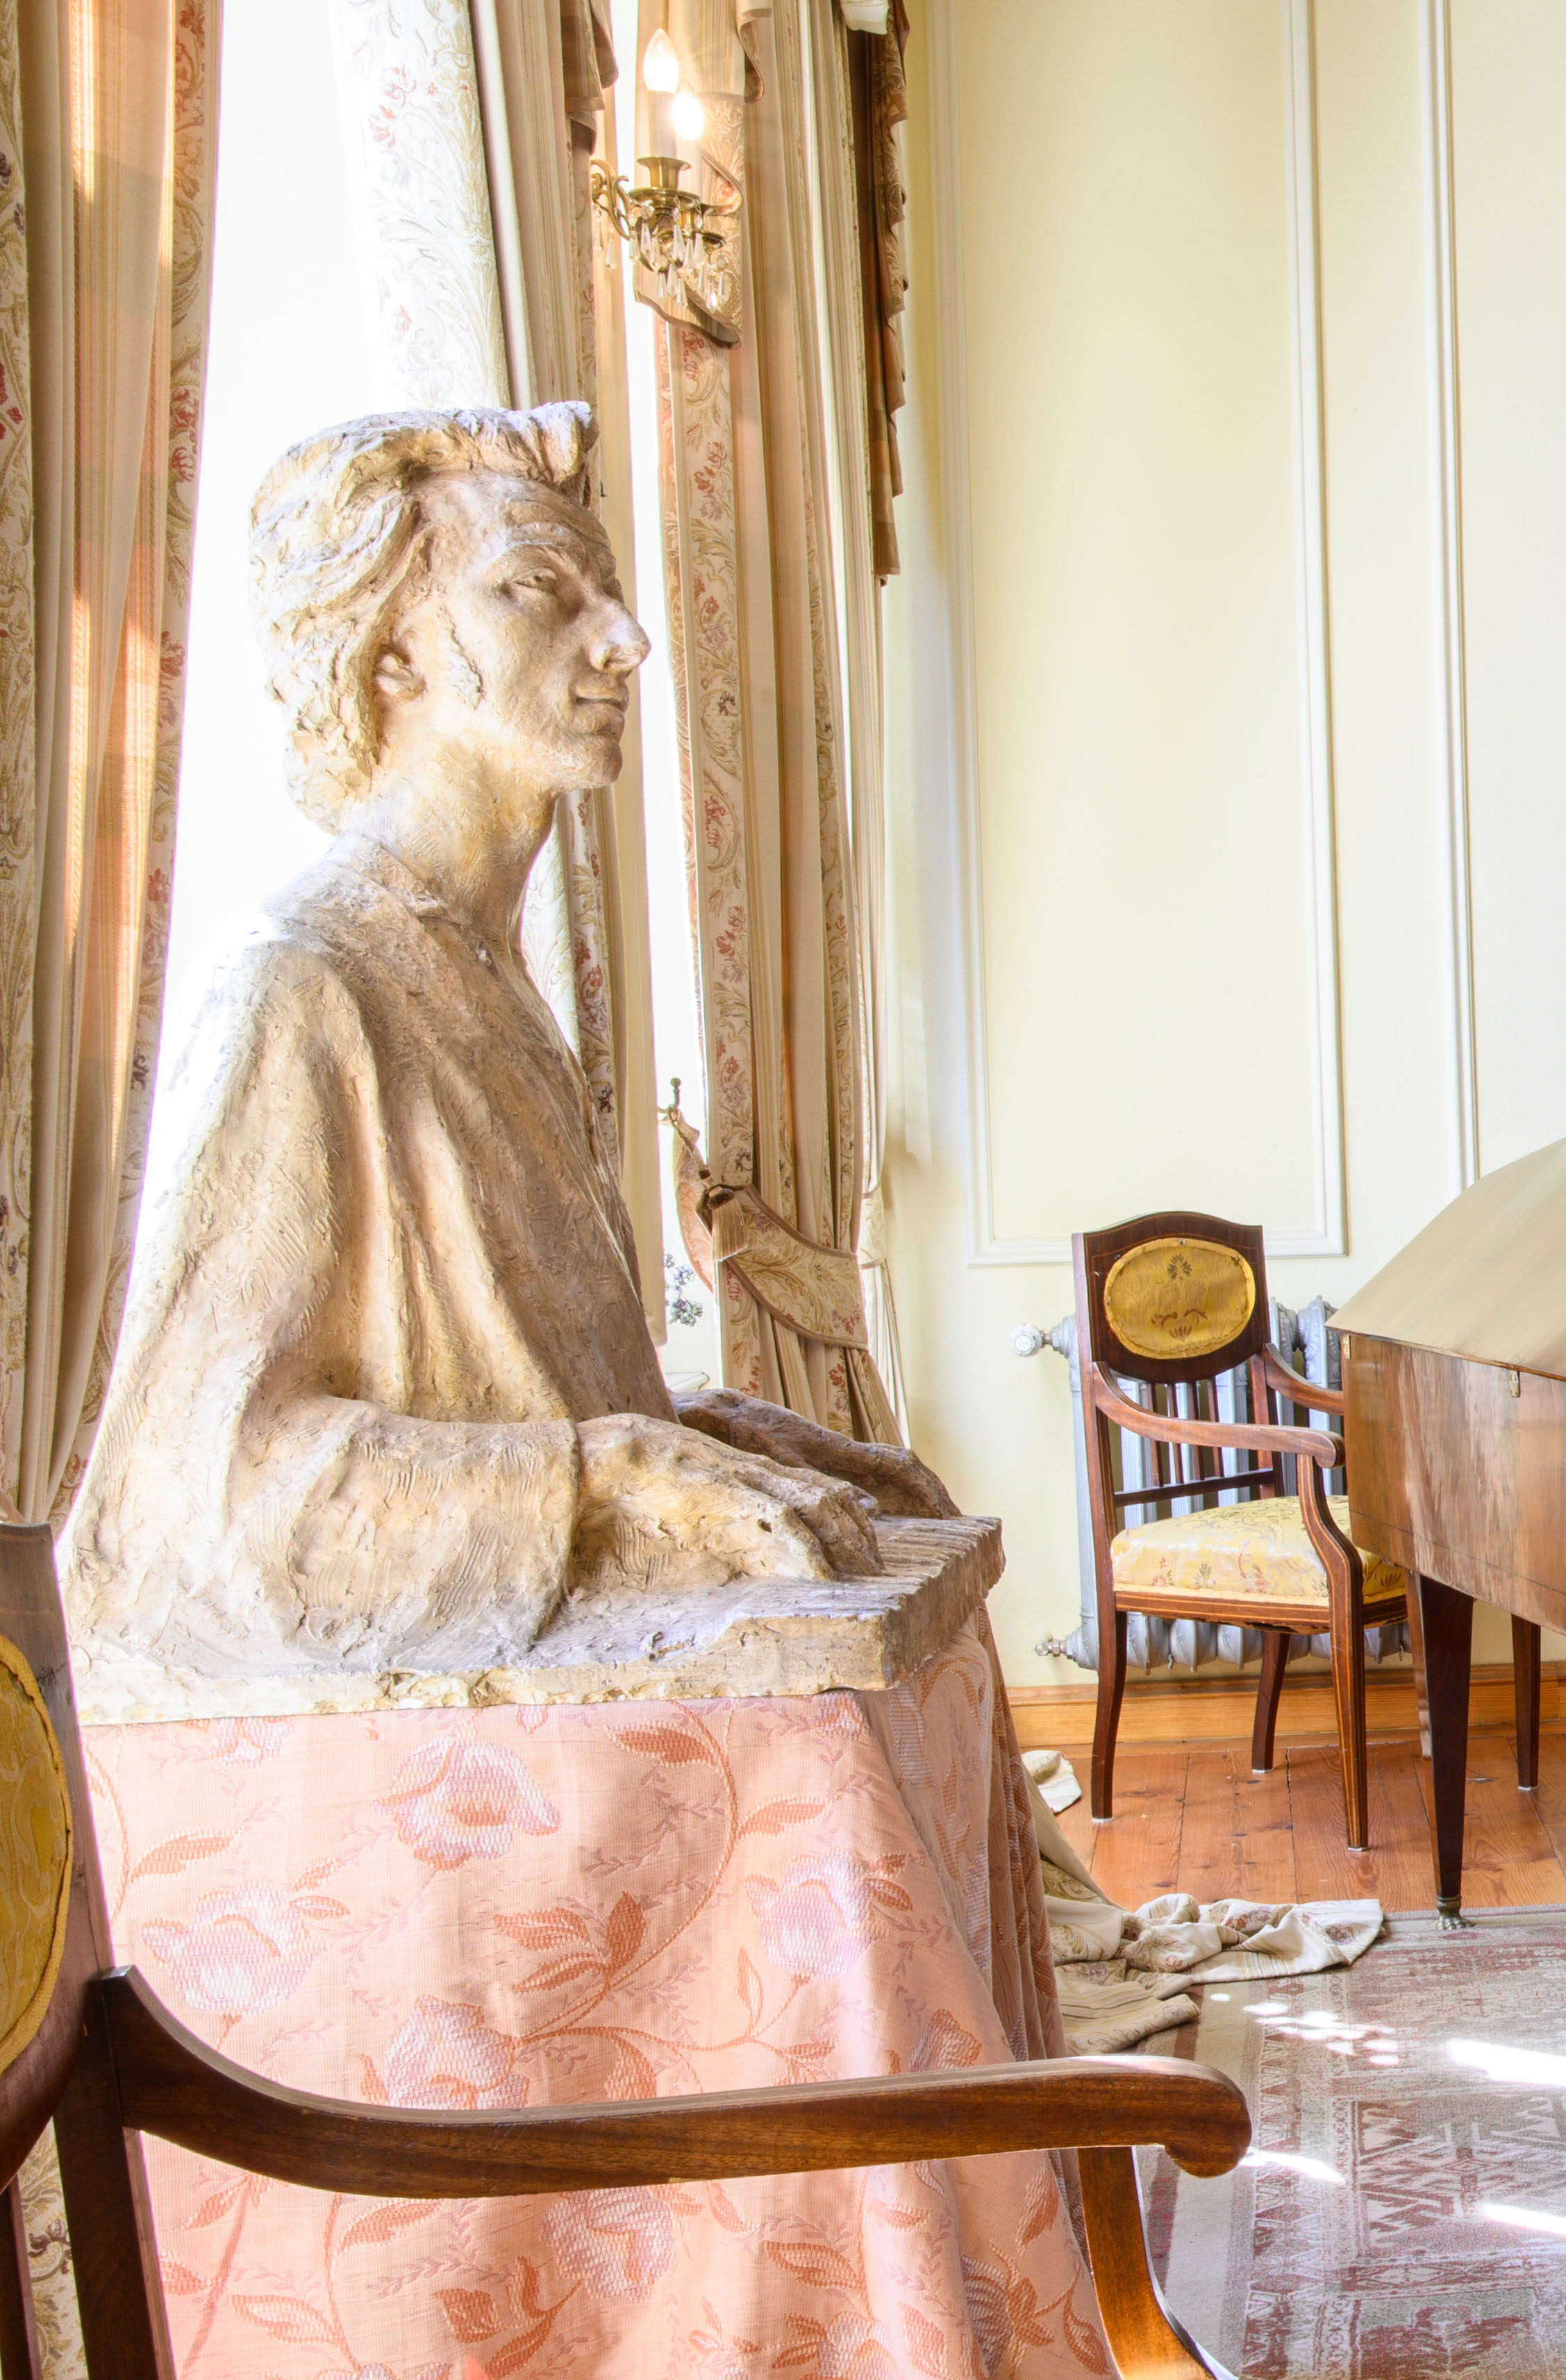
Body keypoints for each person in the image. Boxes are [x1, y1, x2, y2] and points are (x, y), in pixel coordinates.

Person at [68, 405, 952, 1680]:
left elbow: (488, 1400)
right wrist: (613, 1470)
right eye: (538, 588)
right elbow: (199, 1495)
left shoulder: (490, 982)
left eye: (607, 592)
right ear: (392, 659)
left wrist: (712, 1430)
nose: (627, 638)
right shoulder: (301, 985)